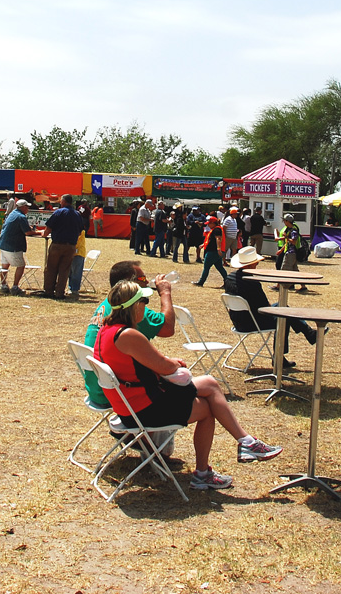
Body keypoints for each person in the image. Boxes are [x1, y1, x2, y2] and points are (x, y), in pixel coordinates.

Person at [93, 280, 283, 491]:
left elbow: (139, 363)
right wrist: (172, 363)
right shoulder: (129, 335)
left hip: (129, 405)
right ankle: (216, 464)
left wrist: (166, 364)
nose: (146, 307)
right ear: (133, 306)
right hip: (144, 409)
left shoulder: (107, 330)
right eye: (145, 301)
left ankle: (244, 444)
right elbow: (165, 367)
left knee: (209, 385)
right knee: (208, 406)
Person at [82, 260, 176, 411]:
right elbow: (167, 329)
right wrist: (165, 293)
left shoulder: (108, 305)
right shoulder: (131, 313)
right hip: (115, 392)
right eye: (142, 279)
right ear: (128, 284)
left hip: (96, 389)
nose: (146, 282)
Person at [225, 246, 315, 367]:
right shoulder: (252, 282)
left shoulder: (229, 278)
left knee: (282, 308)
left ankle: (308, 333)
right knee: (283, 315)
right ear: (252, 265)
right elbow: (265, 307)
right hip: (252, 322)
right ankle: (280, 356)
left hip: (237, 321)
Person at [42, 194, 83, 299]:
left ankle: (49, 291)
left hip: (57, 245)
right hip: (71, 247)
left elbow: (49, 227)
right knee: (64, 270)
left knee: (51, 268)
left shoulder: (58, 212)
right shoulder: (77, 214)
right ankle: (60, 293)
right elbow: (80, 232)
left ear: (64, 202)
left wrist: (44, 235)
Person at [0, 199, 38, 296]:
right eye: (27, 207)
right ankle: (15, 287)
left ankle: (4, 286)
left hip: (3, 244)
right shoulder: (21, 216)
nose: (28, 208)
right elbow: (27, 232)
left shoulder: (12, 214)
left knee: (4, 266)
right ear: (23, 207)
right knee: (21, 265)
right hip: (13, 246)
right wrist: (38, 232)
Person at [275, 213, 307, 292]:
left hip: (291, 253)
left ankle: (280, 286)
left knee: (284, 269)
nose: (284, 222)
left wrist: (286, 237)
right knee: (295, 271)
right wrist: (281, 250)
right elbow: (287, 242)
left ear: (287, 221)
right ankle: (303, 286)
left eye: (284, 221)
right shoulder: (289, 230)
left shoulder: (293, 230)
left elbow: (294, 242)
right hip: (289, 252)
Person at [194, 214, 228, 287]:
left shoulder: (216, 230)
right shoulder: (216, 229)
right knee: (220, 267)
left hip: (213, 252)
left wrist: (218, 249)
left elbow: (218, 239)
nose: (208, 225)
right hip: (216, 252)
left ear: (213, 223)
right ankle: (227, 281)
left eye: (209, 223)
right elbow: (211, 240)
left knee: (206, 267)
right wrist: (203, 244)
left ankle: (201, 282)